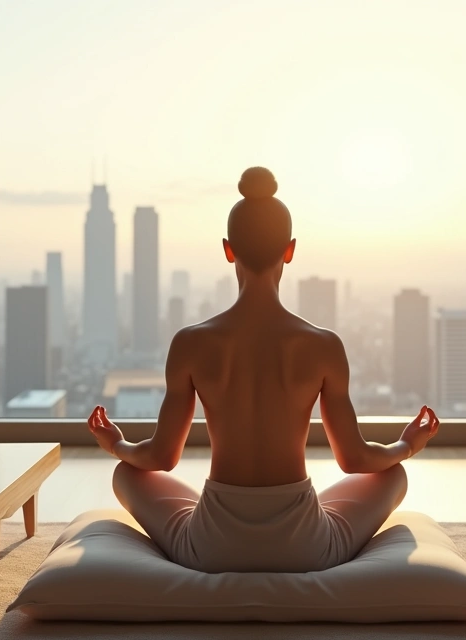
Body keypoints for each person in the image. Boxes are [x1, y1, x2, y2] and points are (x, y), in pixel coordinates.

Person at [87, 166, 439, 573]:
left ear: (228, 249)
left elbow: (162, 458)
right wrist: (407, 445)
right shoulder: (323, 345)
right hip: (306, 548)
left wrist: (116, 443)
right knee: (393, 475)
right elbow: (355, 459)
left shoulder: (190, 343)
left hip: (211, 548)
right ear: (289, 250)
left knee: (125, 475)